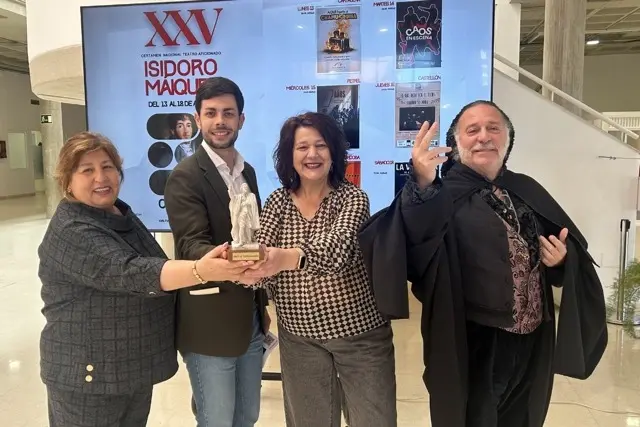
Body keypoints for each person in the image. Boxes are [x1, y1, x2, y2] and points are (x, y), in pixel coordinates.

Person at [358, 100, 608, 427]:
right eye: (472, 130)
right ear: (456, 142)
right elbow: (414, 239)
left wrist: (560, 260)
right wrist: (421, 182)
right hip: (474, 342)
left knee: (523, 418)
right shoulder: (440, 194)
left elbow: (559, 248)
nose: (483, 137)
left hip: (534, 339)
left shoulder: (525, 189)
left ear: (508, 139)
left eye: (493, 128)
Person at [38, 131, 254, 427]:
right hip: (89, 377)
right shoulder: (72, 229)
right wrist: (201, 270)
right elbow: (131, 271)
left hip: (128, 370)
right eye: (87, 170)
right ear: (67, 181)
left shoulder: (118, 214)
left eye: (107, 166)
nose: (101, 177)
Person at [241, 112, 397, 427]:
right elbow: (262, 255)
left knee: (374, 420)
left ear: (334, 153)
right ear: (289, 155)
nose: (312, 154)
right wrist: (247, 267)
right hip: (299, 339)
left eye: (321, 146)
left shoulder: (353, 198)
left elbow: (338, 250)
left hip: (360, 336)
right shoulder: (277, 202)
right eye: (302, 147)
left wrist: (286, 257)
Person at [163, 77, 270, 427]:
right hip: (208, 322)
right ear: (198, 119)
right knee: (217, 420)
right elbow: (192, 246)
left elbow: (251, 235)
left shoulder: (247, 172)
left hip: (249, 319)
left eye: (228, 113)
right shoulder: (185, 176)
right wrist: (247, 262)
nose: (219, 121)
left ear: (241, 119)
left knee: (247, 416)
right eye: (211, 113)